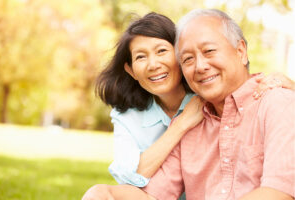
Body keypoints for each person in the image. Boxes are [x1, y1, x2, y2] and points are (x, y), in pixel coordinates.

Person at [82, 10, 295, 200]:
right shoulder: (192, 120)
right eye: (188, 59)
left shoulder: (277, 104)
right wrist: (104, 193)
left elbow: (279, 192)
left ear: (240, 51)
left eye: (209, 51)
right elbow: (154, 195)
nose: (200, 66)